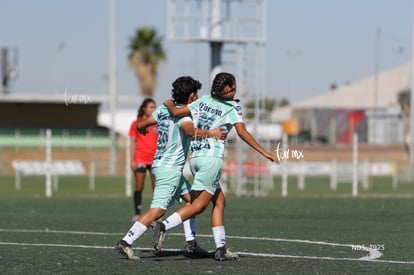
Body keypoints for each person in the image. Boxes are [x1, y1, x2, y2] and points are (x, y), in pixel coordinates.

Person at [153, 72, 279, 261]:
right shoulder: (233, 107)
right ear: (226, 90)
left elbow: (177, 112)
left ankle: (220, 248)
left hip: (195, 157)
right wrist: (265, 152)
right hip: (211, 159)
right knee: (198, 206)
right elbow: (243, 133)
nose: (236, 91)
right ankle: (164, 226)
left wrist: (169, 103)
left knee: (219, 201)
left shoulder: (204, 100)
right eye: (234, 88)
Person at [114, 76, 227, 260]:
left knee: (192, 202)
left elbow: (142, 124)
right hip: (170, 169)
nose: (197, 96)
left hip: (159, 164)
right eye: (196, 93)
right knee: (158, 210)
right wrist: (212, 133)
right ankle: (126, 241)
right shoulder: (183, 114)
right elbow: (190, 131)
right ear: (191, 95)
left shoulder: (165, 108)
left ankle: (191, 243)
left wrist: (143, 129)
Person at [129, 98, 158, 220]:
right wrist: (132, 160)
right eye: (151, 107)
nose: (153, 109)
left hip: (155, 159)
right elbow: (132, 143)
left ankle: (156, 212)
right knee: (139, 186)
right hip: (140, 158)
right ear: (144, 108)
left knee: (156, 186)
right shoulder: (136, 123)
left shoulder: (158, 122)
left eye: (154, 107)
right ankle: (137, 212)